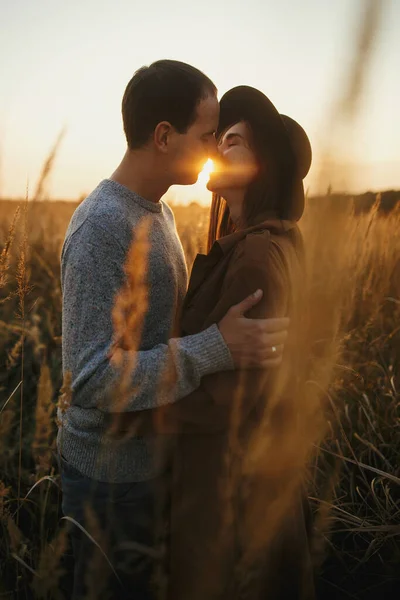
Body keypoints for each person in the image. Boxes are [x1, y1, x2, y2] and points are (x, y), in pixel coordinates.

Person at [58, 62, 289, 599]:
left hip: (147, 470)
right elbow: (90, 380)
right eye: (208, 134)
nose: (213, 147)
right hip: (109, 485)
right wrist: (213, 349)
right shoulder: (101, 227)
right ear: (164, 136)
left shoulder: (156, 212)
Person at [135, 85, 314, 599]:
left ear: (263, 169)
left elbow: (234, 398)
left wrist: (138, 411)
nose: (217, 149)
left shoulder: (257, 256)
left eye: (232, 141)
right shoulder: (255, 244)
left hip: (227, 492)